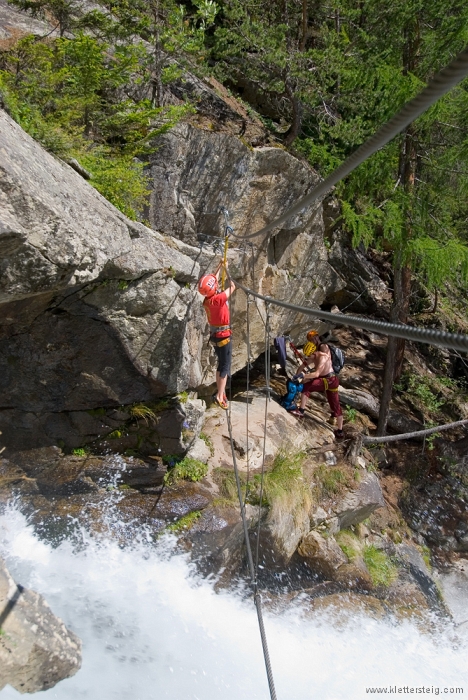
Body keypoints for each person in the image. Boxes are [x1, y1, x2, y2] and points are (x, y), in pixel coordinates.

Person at [288, 330, 344, 440]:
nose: (313, 340)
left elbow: (319, 370)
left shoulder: (323, 348)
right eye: (311, 339)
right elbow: (304, 365)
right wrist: (297, 375)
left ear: (317, 337)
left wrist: (304, 376)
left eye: (314, 338)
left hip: (327, 378)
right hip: (331, 379)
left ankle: (301, 411)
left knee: (307, 386)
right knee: (333, 400)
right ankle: (339, 430)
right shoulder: (316, 353)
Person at [198, 261, 236, 410]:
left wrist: (220, 267)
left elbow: (213, 281)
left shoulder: (207, 300)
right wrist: (228, 269)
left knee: (221, 364)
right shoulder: (219, 299)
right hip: (224, 336)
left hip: (215, 336)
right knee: (225, 366)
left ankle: (220, 391)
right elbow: (233, 287)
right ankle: (220, 395)